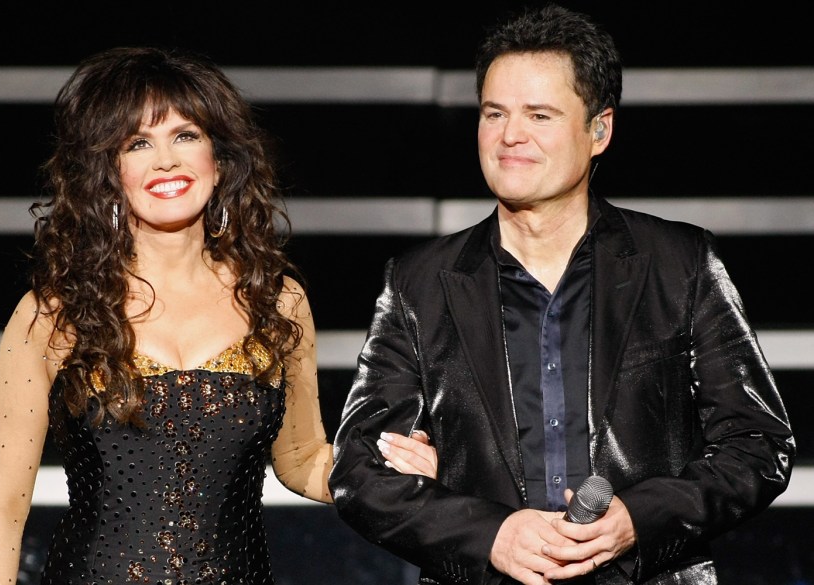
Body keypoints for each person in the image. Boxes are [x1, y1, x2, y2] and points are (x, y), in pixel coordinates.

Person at [328, 4, 795, 585]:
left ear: (599, 130)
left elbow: (757, 443)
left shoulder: (679, 263)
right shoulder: (419, 282)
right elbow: (360, 471)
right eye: (494, 112)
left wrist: (638, 519)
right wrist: (490, 533)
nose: (510, 135)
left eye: (539, 115)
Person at [0, 46, 437, 585]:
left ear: (220, 155)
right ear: (106, 169)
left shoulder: (277, 301)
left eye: (185, 135)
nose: (166, 160)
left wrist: (385, 472)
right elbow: (2, 512)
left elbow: (303, 457)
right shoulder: (54, 314)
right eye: (138, 143)